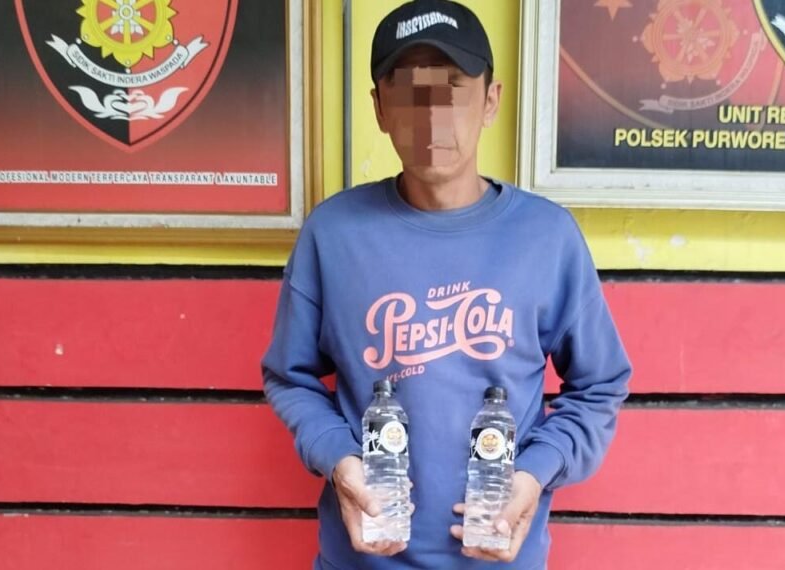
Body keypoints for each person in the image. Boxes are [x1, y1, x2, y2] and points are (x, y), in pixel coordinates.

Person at [261, 1, 631, 568]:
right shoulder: (333, 234)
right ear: (379, 108)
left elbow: (600, 385)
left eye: (453, 88)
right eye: (409, 92)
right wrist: (337, 458)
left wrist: (537, 470)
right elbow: (289, 378)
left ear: (491, 101)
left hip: (498, 556)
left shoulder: (546, 236)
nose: (431, 117)